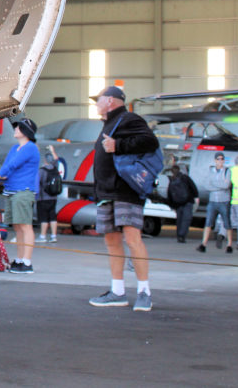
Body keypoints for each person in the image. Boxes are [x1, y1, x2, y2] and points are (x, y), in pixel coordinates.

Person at [85, 85, 159, 312]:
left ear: (111, 101)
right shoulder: (108, 124)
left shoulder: (129, 119)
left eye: (99, 99)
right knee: (111, 240)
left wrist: (118, 145)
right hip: (107, 192)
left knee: (132, 238)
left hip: (125, 190)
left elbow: (150, 142)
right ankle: (117, 291)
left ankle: (144, 291)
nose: (96, 103)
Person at [0, 119, 39, 273]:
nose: (15, 129)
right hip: (12, 189)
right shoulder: (15, 148)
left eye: (19, 127)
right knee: (18, 226)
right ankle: (20, 259)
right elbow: (7, 165)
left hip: (23, 190)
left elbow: (12, 165)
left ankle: (27, 262)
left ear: (26, 131)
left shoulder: (30, 148)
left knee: (25, 225)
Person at [197, 153, 233, 253]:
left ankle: (229, 244)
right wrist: (218, 186)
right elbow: (206, 184)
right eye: (218, 159)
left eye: (222, 159)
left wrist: (214, 184)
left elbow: (226, 185)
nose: (220, 161)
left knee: (227, 223)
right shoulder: (210, 171)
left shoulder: (227, 171)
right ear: (215, 160)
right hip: (213, 201)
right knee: (208, 222)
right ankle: (203, 243)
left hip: (224, 201)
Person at [166, 164, 199, 243]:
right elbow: (193, 188)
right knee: (186, 219)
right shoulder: (185, 178)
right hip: (188, 201)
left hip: (177, 203)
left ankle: (179, 235)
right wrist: (195, 197)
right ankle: (182, 235)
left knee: (179, 220)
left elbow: (169, 194)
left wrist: (172, 205)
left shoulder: (172, 180)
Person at [36, 146, 61, 243]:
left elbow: (37, 183)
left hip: (43, 198)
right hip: (53, 197)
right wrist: (53, 151)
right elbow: (56, 160)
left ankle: (43, 236)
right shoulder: (55, 169)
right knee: (52, 216)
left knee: (43, 218)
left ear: (45, 160)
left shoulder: (41, 171)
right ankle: (53, 236)